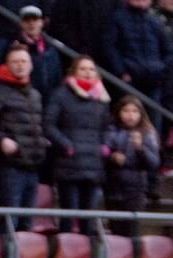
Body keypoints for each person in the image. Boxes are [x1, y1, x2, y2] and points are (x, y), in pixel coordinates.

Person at [0, 44, 45, 230]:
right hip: (9, 167)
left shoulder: (35, 95)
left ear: (31, 65)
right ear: (7, 65)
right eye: (15, 62)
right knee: (9, 222)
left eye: (23, 61)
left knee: (27, 223)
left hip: (32, 165)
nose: (20, 65)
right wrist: (1, 139)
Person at [44, 55, 109, 235]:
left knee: (88, 220)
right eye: (83, 69)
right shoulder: (61, 94)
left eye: (91, 69)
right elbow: (48, 125)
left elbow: (106, 127)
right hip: (69, 164)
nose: (87, 73)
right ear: (73, 72)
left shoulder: (101, 98)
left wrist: (104, 145)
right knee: (69, 216)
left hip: (94, 164)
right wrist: (65, 145)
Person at [108, 0, 172, 132]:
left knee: (154, 121)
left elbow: (168, 51)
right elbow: (109, 47)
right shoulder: (118, 18)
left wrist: (161, 70)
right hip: (130, 79)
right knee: (127, 118)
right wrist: (121, 71)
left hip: (154, 79)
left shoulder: (155, 21)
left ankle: (153, 149)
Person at [104, 95, 160, 238]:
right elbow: (103, 152)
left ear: (141, 114)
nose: (130, 115)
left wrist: (140, 148)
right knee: (116, 231)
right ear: (119, 112)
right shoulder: (111, 130)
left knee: (132, 232)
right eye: (126, 111)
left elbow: (154, 163)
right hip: (113, 188)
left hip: (135, 190)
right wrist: (112, 157)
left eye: (134, 111)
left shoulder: (147, 133)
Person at [9, 5, 61, 102]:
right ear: (21, 23)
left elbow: (57, 78)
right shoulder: (11, 47)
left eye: (35, 20)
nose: (31, 24)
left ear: (41, 23)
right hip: (24, 101)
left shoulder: (51, 48)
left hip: (49, 101)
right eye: (27, 20)